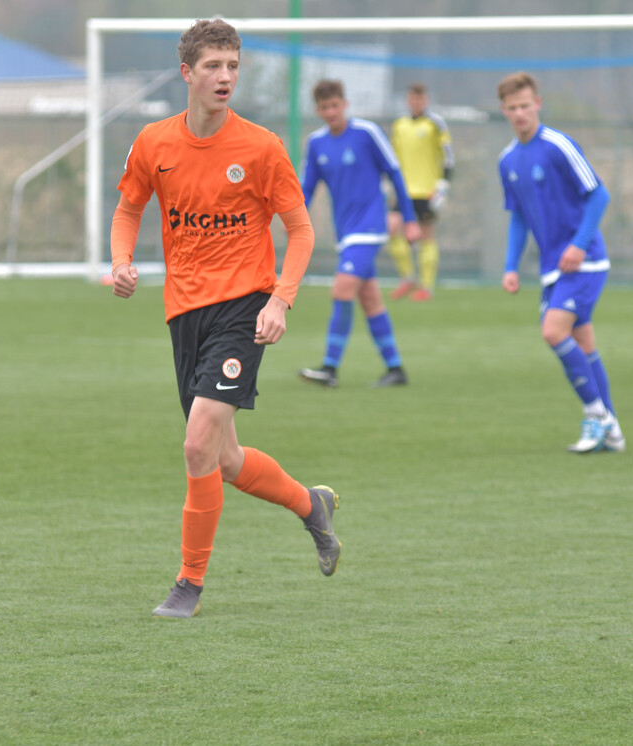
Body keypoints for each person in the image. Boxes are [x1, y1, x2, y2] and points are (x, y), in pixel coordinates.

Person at [110, 19, 341, 619]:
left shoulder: (262, 148)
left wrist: (280, 300)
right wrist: (121, 262)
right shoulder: (155, 144)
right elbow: (128, 210)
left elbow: (302, 230)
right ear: (187, 73)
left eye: (233, 66)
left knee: (195, 444)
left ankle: (189, 582)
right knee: (223, 457)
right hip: (185, 312)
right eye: (214, 66)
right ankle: (310, 505)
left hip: (245, 308)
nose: (225, 77)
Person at [497, 72, 624, 453]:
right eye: (512, 108)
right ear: (504, 111)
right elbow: (518, 217)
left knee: (554, 331)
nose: (520, 113)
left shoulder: (557, 145)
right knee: (583, 344)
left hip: (584, 262)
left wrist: (580, 244)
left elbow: (599, 195)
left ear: (538, 104)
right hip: (553, 267)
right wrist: (510, 265)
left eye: (525, 105)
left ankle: (596, 415)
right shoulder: (508, 160)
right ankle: (612, 430)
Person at [298, 79, 421, 389]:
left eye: (335, 105)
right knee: (370, 301)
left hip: (369, 226)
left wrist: (409, 219)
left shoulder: (367, 133)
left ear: (345, 104)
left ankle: (330, 367)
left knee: (341, 291)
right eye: (324, 108)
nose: (331, 112)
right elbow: (308, 188)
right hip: (346, 231)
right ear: (318, 110)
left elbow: (394, 172)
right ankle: (396, 369)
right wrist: (295, 221)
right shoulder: (317, 143)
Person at [387, 82, 454, 302]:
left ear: (426, 100)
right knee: (392, 228)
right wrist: (389, 184)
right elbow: (392, 158)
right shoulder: (399, 125)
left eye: (420, 99)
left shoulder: (435, 124)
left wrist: (442, 186)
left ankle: (427, 286)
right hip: (404, 190)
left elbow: (448, 156)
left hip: (426, 191)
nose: (416, 103)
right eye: (413, 99)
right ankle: (407, 278)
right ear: (408, 100)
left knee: (426, 236)